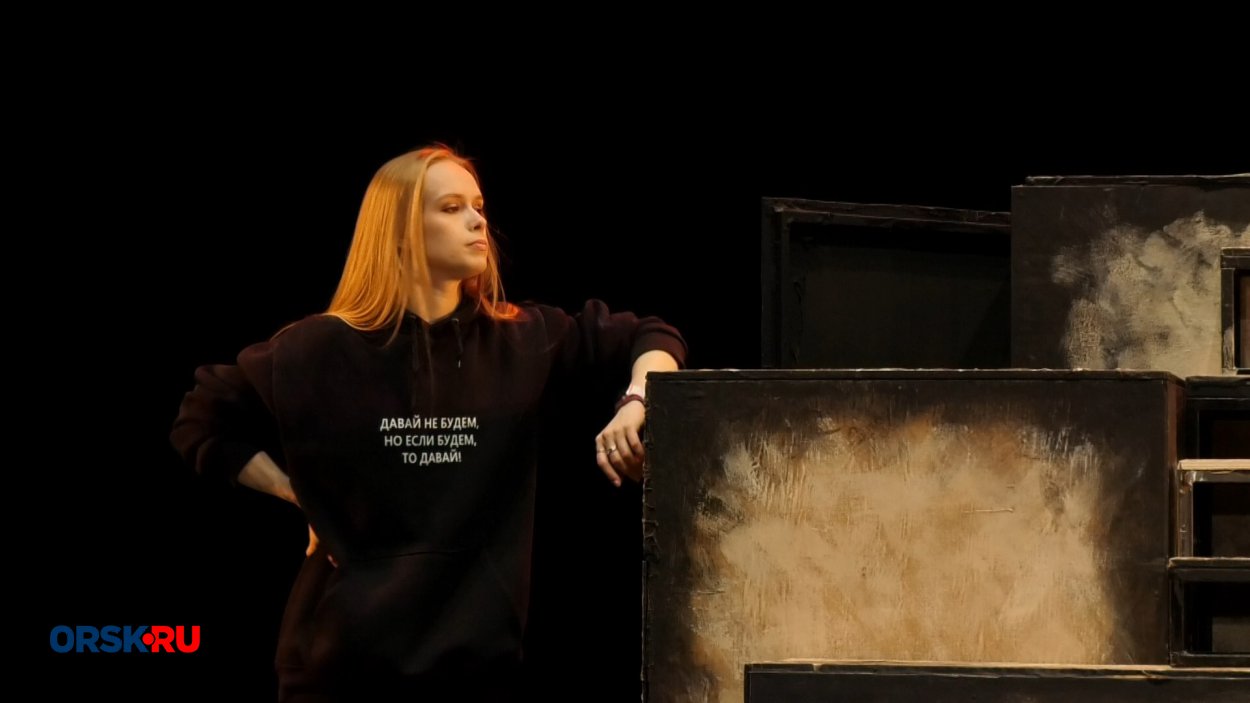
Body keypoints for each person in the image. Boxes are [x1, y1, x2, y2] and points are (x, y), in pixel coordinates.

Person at [170, 145, 686, 701]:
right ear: (397, 231)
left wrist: (638, 400)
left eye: (479, 206)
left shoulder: (522, 338)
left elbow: (652, 336)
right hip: (336, 669)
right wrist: (299, 496)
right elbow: (201, 420)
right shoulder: (315, 349)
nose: (478, 221)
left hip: (479, 666)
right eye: (451, 208)